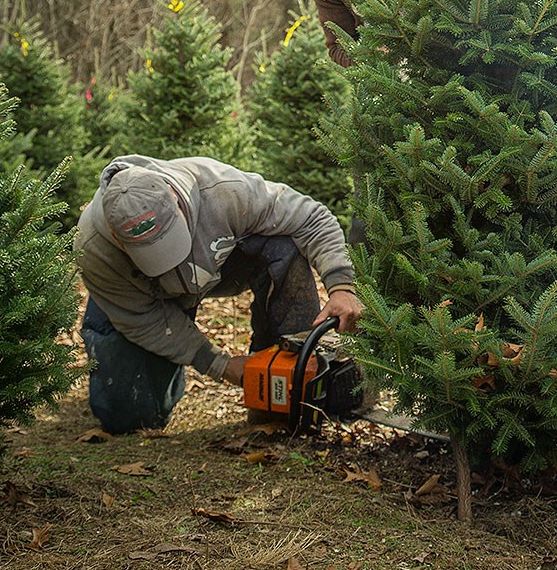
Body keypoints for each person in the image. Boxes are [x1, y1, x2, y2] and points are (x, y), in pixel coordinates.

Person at [74, 154, 363, 435]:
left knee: (284, 246)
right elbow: (142, 319)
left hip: (218, 264)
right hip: (143, 300)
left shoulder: (222, 190)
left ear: (176, 203)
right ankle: (156, 368)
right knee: (127, 418)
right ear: (115, 236)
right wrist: (218, 364)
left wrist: (341, 285)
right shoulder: (93, 247)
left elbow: (311, 218)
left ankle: (291, 385)